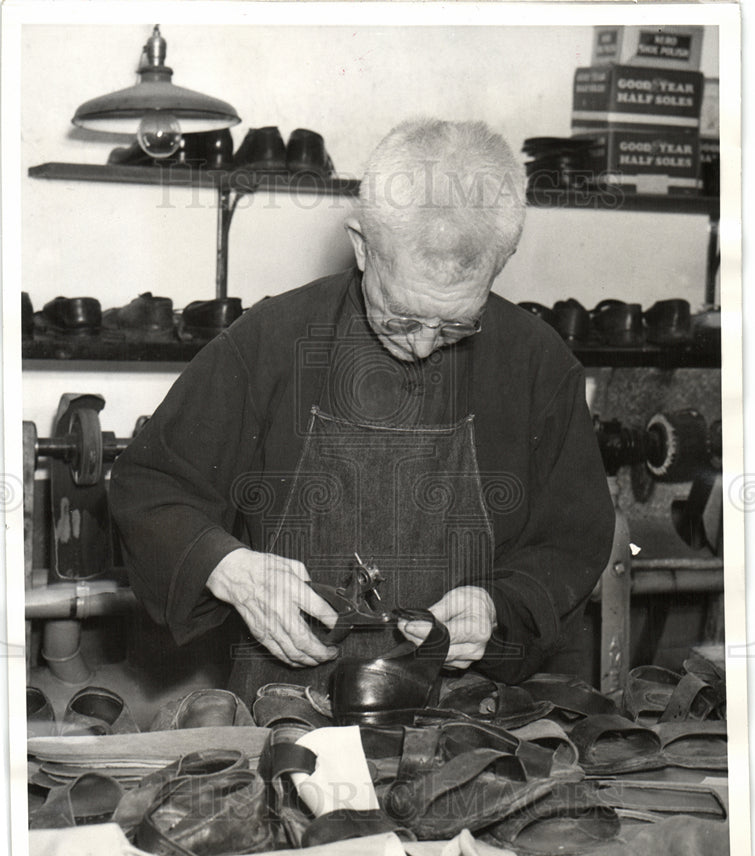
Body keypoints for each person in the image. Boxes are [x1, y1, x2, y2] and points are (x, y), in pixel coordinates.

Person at [109, 118, 615, 705]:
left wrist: (500, 607)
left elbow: (572, 541)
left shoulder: (537, 365)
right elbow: (150, 487)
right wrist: (229, 567)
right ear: (361, 245)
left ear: (500, 263)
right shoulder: (269, 343)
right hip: (291, 706)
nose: (424, 344)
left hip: (467, 721)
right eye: (402, 317)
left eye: (456, 323)